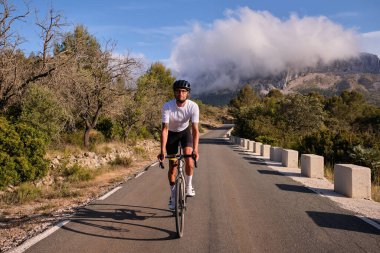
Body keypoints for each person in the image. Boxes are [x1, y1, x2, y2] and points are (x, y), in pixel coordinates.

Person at [158, 80, 200, 210]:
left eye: (183, 91)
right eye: (178, 91)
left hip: (185, 132)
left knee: (189, 160)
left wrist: (196, 150)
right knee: (173, 167)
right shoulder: (167, 106)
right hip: (171, 135)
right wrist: (162, 150)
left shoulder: (193, 106)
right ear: (174, 93)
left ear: (187, 93)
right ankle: (173, 195)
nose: (181, 94)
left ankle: (188, 186)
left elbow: (195, 130)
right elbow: (164, 129)